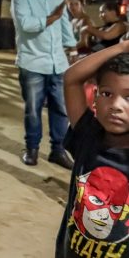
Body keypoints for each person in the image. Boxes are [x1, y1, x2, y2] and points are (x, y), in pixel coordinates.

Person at [56, 41, 129, 257]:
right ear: (95, 97)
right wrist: (122, 47)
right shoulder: (88, 135)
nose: (116, 105)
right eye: (107, 94)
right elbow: (71, 79)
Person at [12, 0, 77, 168]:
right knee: (33, 109)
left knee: (61, 109)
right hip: (33, 63)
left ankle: (58, 150)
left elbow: (64, 22)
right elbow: (25, 25)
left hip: (58, 63)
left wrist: (72, 46)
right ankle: (32, 149)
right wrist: (51, 18)